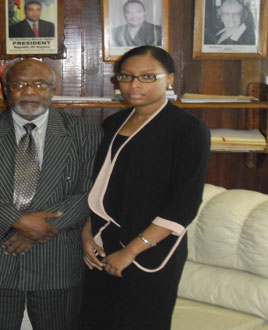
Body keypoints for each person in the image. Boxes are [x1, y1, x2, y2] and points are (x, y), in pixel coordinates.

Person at [0, 59, 102, 330]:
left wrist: (41, 227)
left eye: (39, 84)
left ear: (53, 89)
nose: (29, 92)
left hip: (57, 255)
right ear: (6, 90)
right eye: (19, 84)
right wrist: (18, 223)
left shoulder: (85, 133)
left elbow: (91, 189)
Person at [79, 46, 210, 330]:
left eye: (148, 76)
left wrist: (131, 251)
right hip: (104, 245)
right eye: (126, 76)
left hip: (150, 250)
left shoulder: (187, 129)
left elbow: (185, 204)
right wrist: (87, 233)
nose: (134, 84)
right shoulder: (114, 123)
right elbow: (103, 186)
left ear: (170, 79)